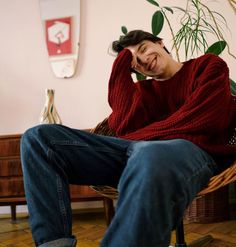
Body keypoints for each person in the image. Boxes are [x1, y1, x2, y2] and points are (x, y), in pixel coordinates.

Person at [21, 30, 236, 247]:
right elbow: (122, 128)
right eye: (136, 62)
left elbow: (206, 119)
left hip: (193, 151)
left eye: (143, 49)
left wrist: (144, 138)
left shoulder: (207, 65)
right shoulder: (140, 93)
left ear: (160, 43)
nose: (143, 60)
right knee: (38, 138)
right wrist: (122, 62)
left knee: (149, 152)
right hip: (136, 153)